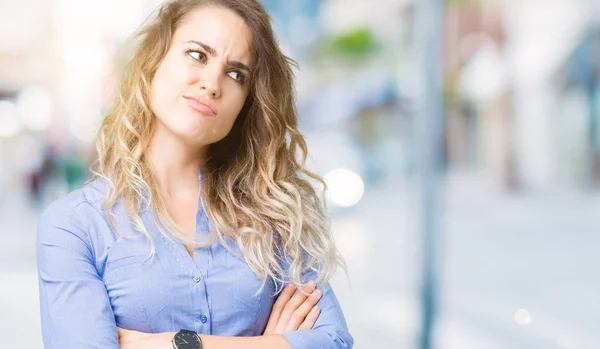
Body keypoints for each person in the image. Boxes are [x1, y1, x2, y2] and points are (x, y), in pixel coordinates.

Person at [36, 0, 353, 348]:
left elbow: (333, 340)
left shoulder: (275, 215)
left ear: (246, 102)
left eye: (236, 74)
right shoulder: (74, 226)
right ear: (154, 61)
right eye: (197, 54)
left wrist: (175, 343)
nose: (212, 83)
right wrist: (271, 343)